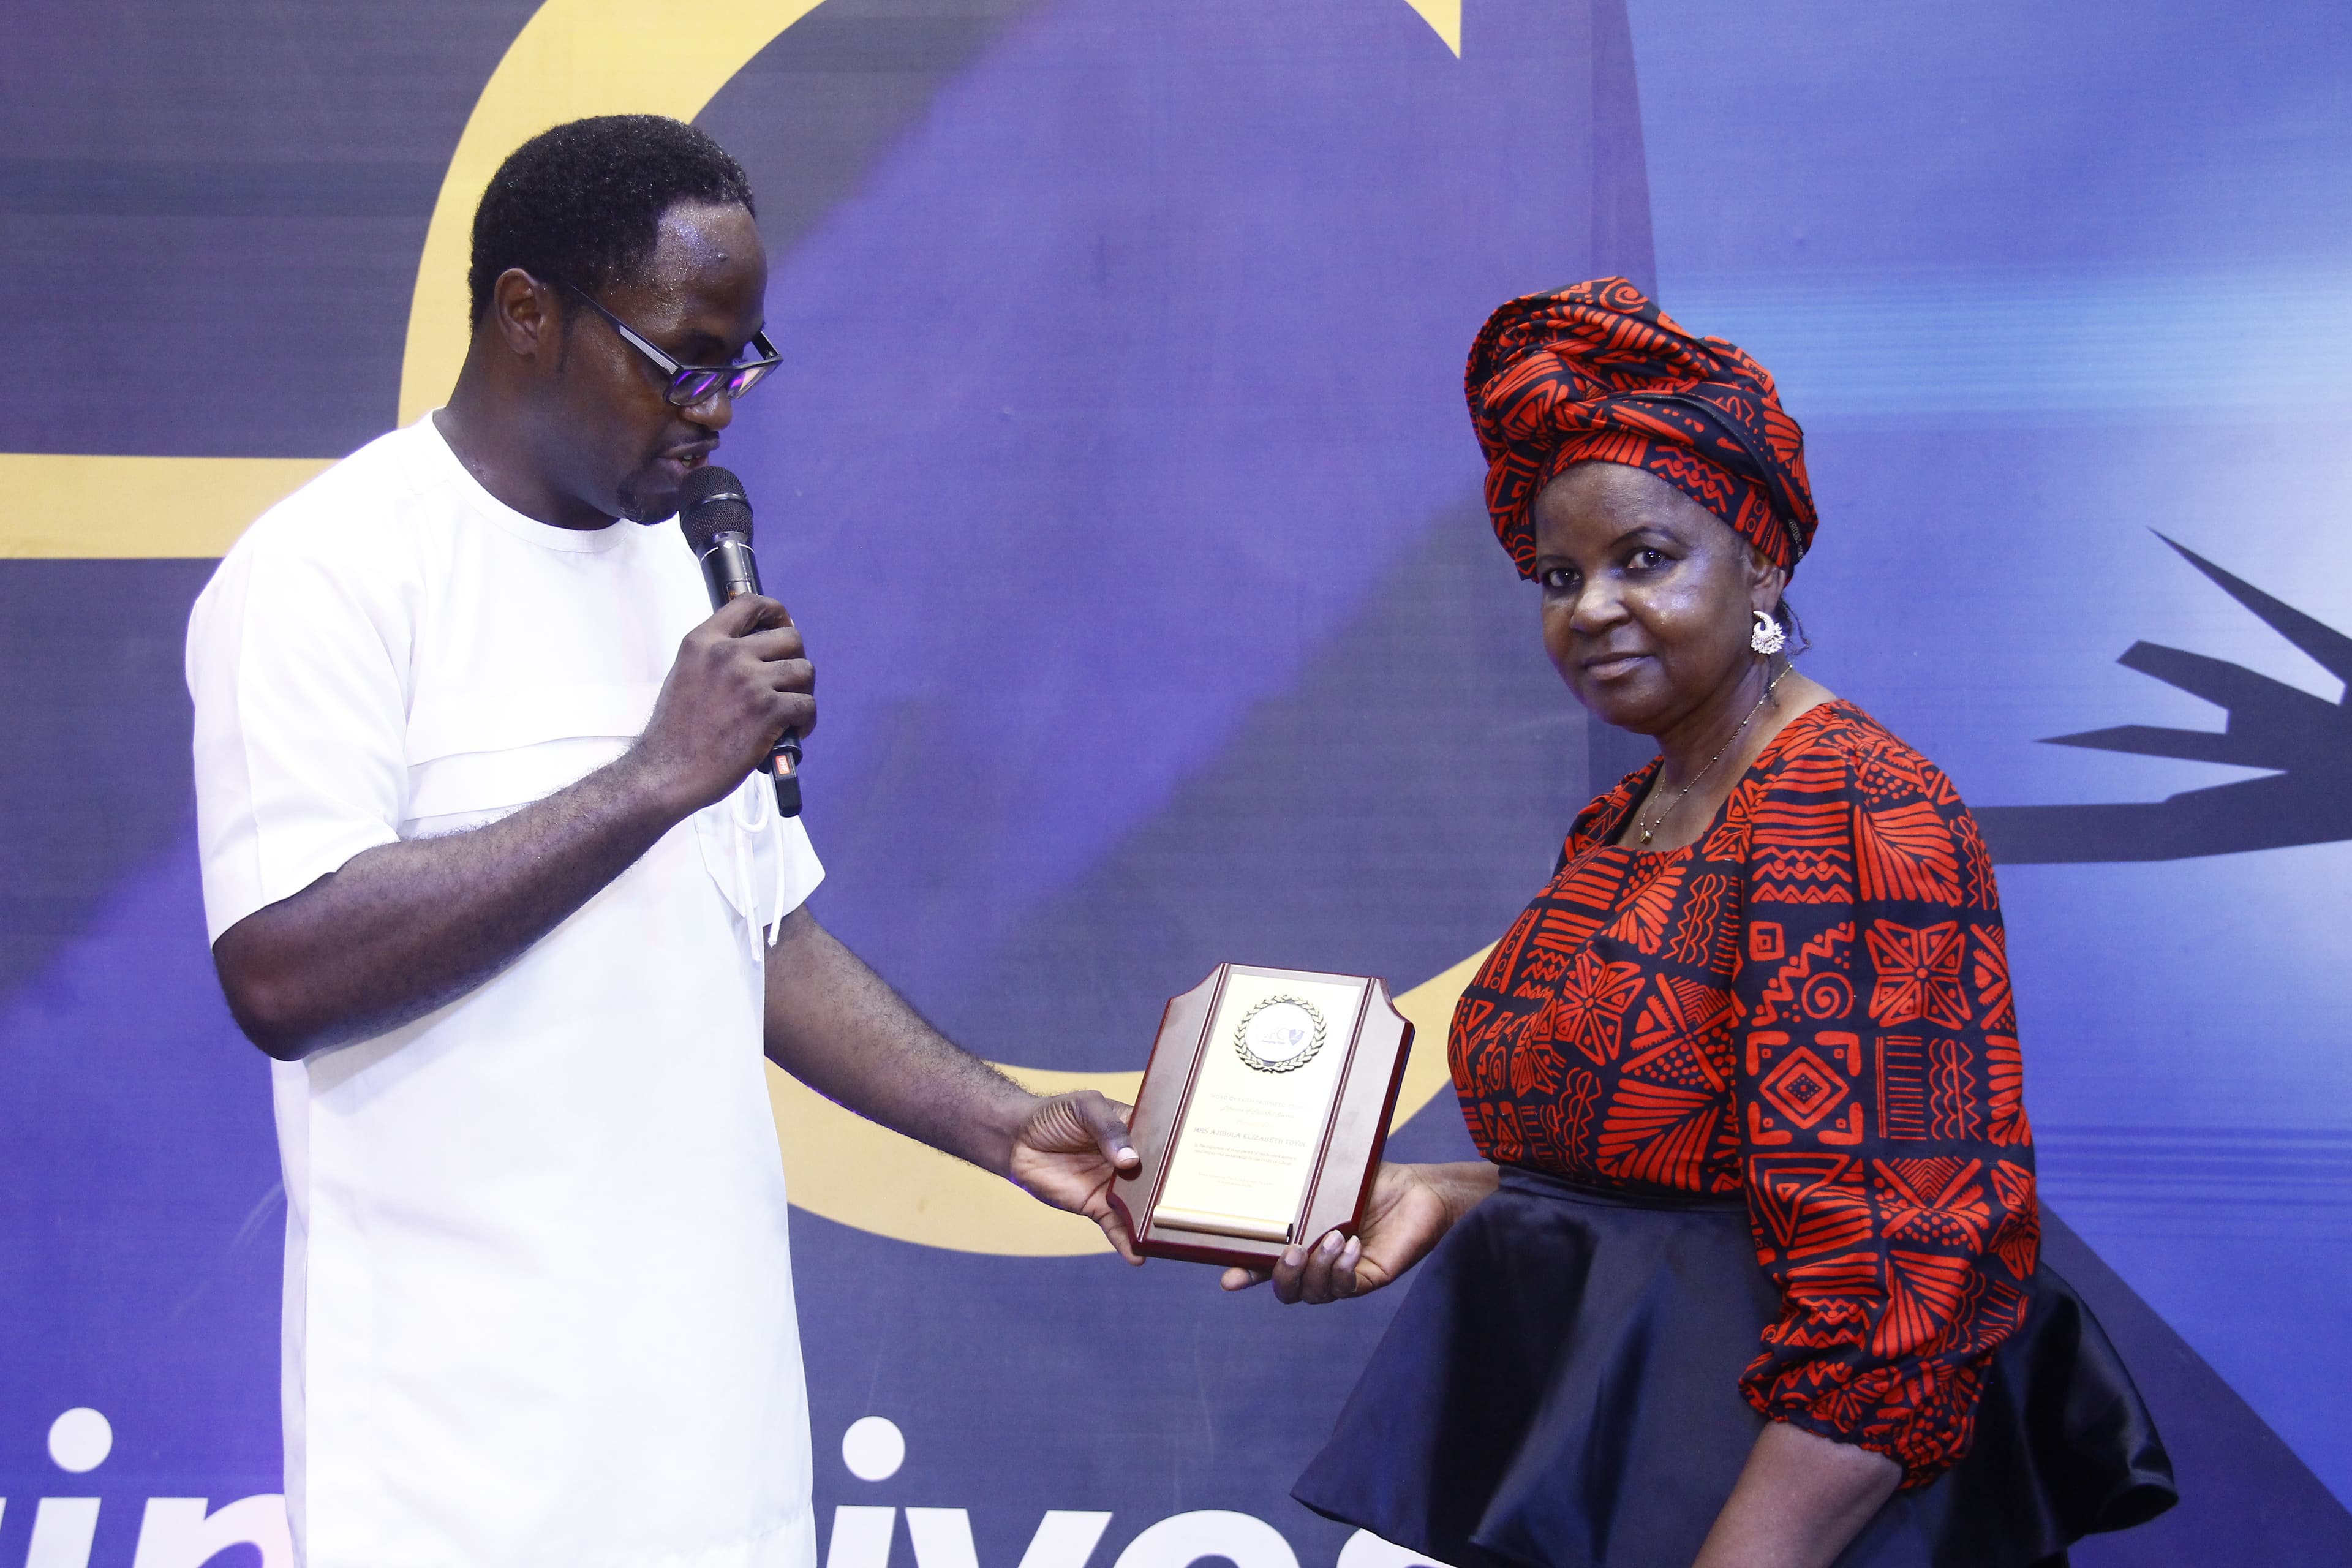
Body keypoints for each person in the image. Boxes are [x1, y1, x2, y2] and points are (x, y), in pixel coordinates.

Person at [185, 115, 1140, 1568]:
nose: (719, 411)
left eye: (744, 363)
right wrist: (652, 776)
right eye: (685, 360)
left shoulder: (681, 576)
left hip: (720, 1454)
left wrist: (1003, 1123)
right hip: (461, 1480)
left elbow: (759, 936)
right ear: (528, 314)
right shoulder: (326, 573)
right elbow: (282, 970)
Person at [1224, 280, 2175, 1567]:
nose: (1591, 607)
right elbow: (1688, 1186)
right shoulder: (1627, 815)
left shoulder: (1851, 808)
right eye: (1560, 575)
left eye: (1646, 558)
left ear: (1762, 560)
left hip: (1783, 1518)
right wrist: (1447, 1196)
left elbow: (1900, 1280)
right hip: (1628, 1491)